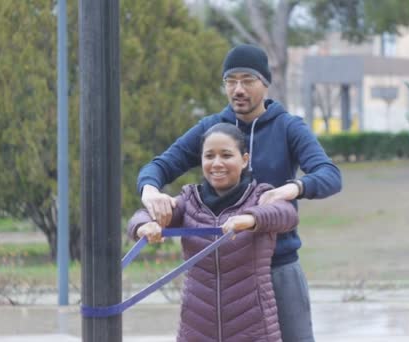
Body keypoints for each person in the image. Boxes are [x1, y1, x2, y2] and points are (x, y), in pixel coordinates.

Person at [137, 44, 342, 341]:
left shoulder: (288, 127)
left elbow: (330, 175)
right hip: (224, 278)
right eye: (230, 82)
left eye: (247, 80)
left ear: (265, 83)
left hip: (278, 268)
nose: (238, 89)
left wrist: (291, 189)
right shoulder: (211, 128)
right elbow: (160, 166)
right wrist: (150, 191)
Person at [128, 123, 298, 341]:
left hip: (255, 330)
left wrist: (251, 218)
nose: (217, 163)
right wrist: (145, 226)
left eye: (226, 155)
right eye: (209, 156)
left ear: (244, 160)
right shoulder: (189, 201)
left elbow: (287, 214)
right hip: (197, 329)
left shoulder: (260, 196)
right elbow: (141, 217)